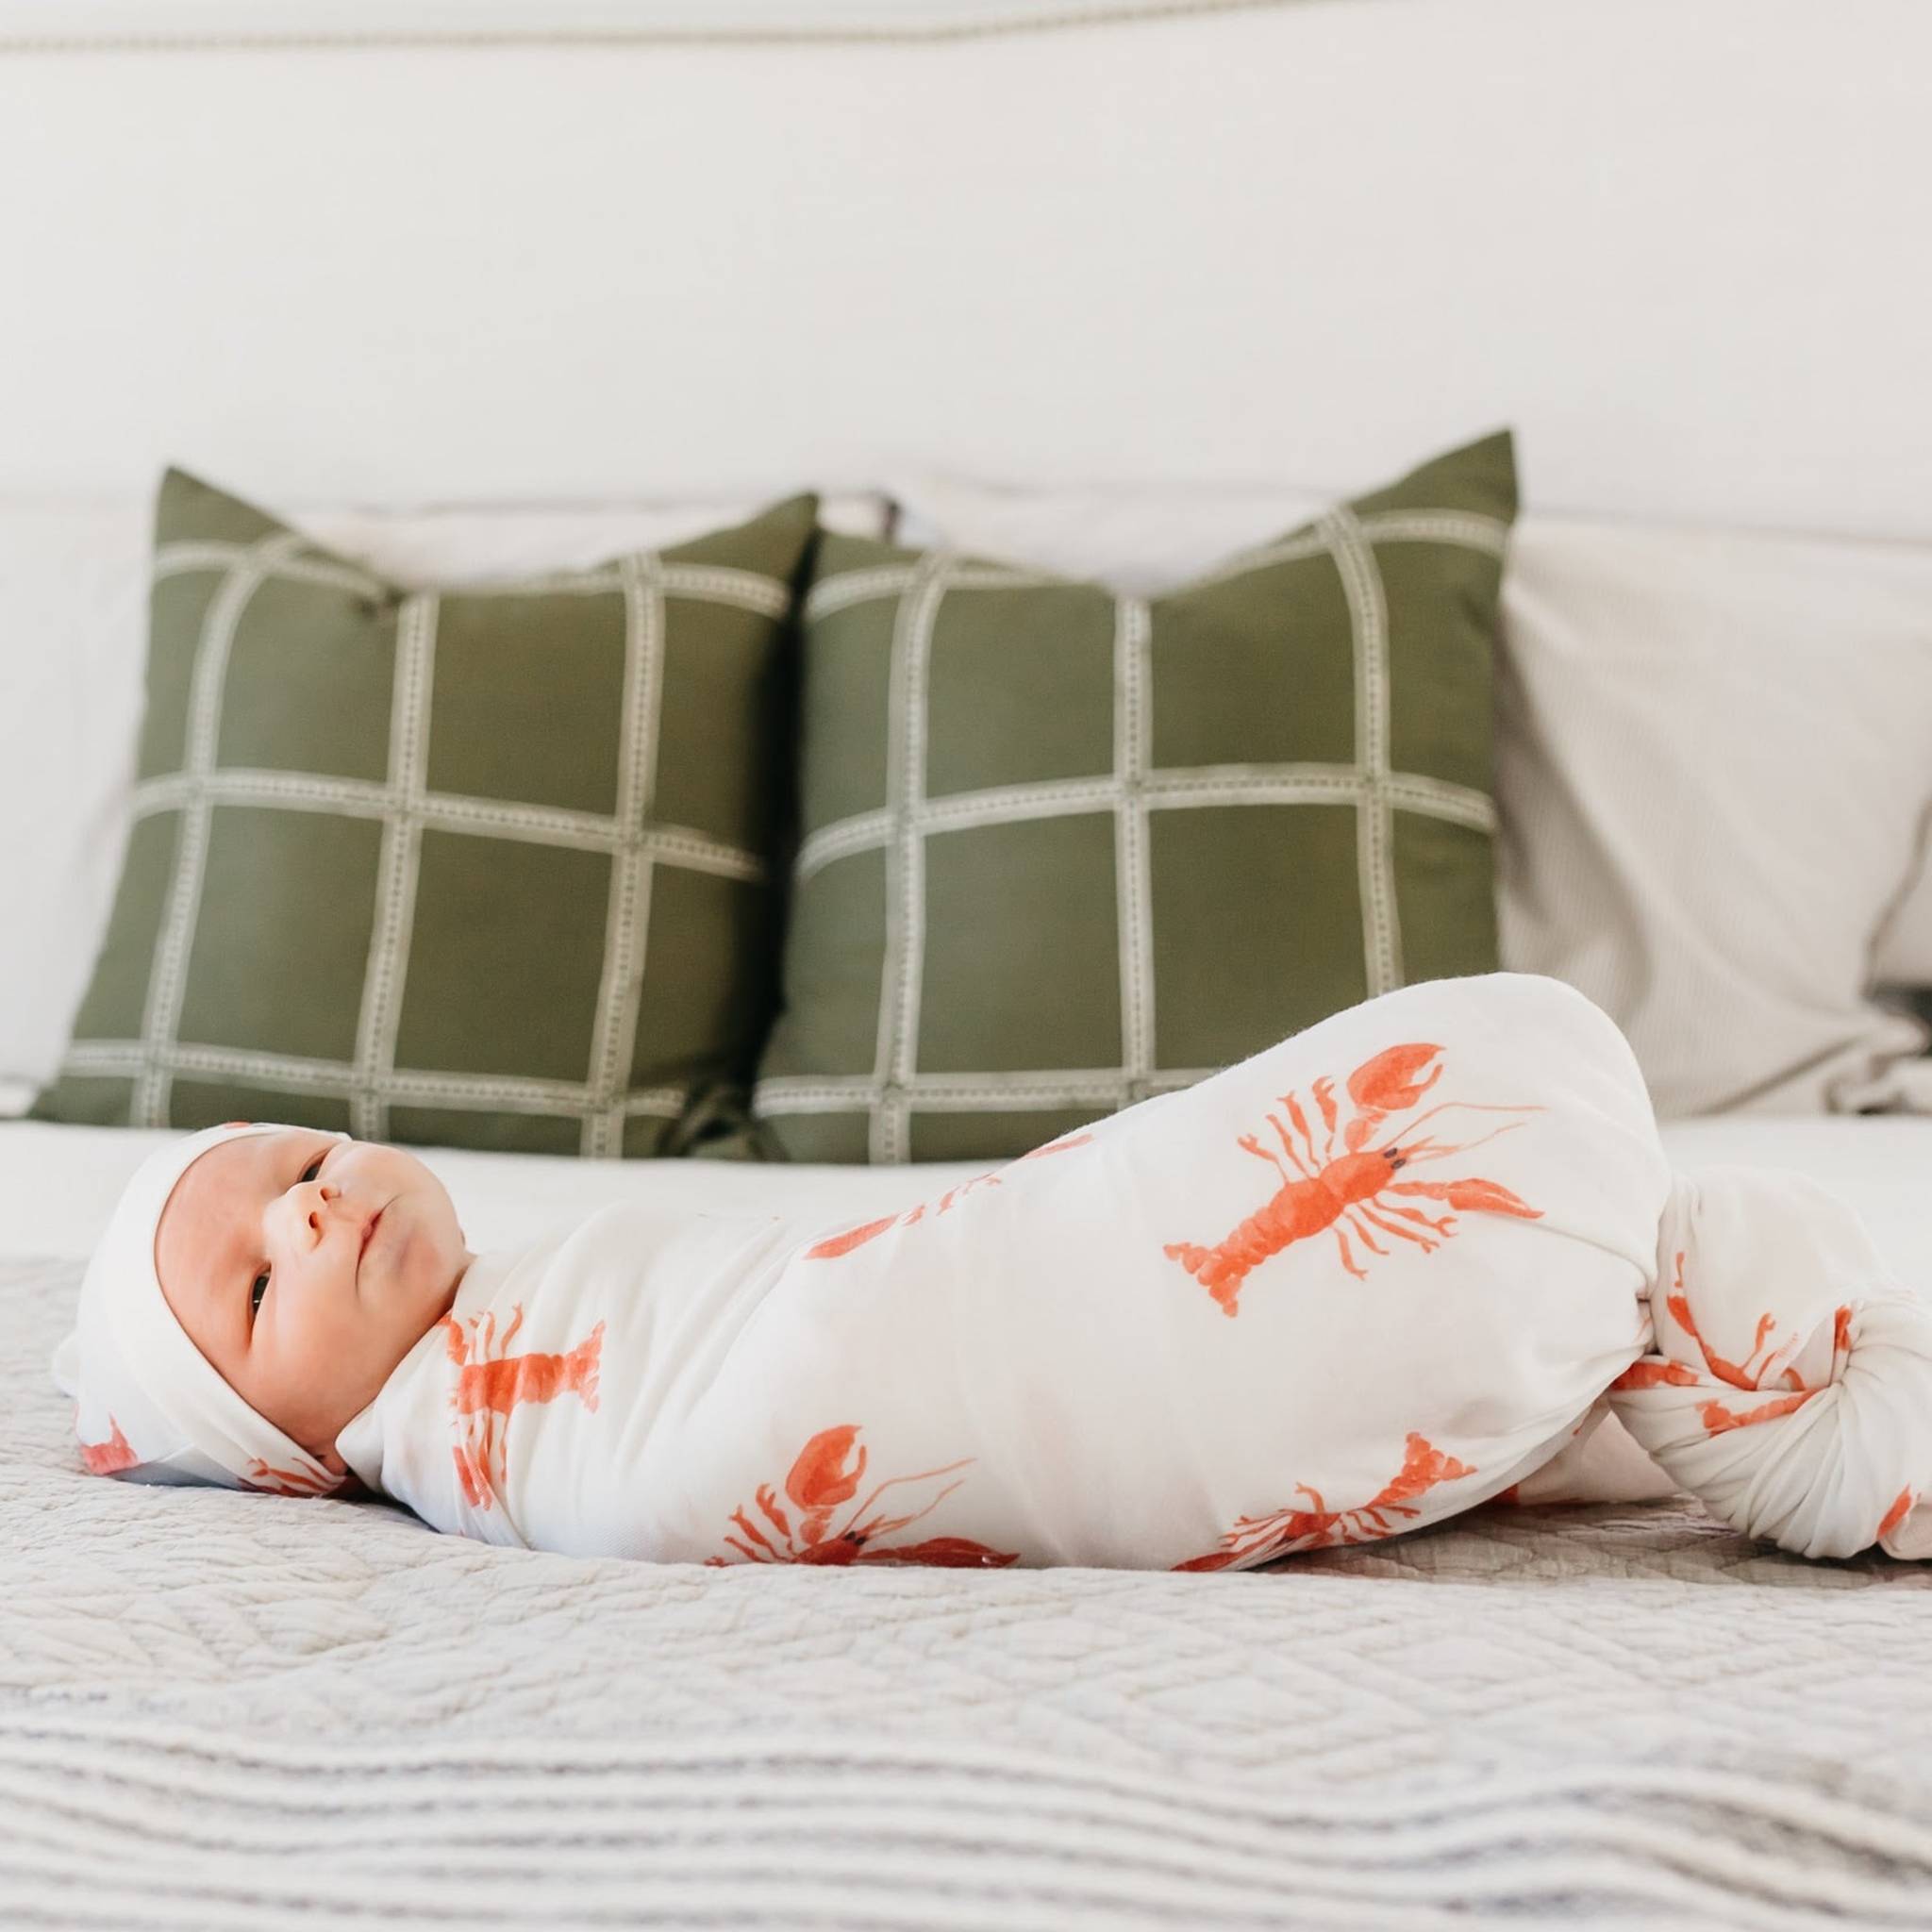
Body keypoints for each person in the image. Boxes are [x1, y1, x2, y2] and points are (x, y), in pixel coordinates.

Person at [50, 974, 1932, 1567]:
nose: (311, 1208)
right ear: (284, 1450)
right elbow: (743, 1400)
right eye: (253, 1286)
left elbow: (889, 1257)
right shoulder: (480, 1438)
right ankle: (1653, 1337)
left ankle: (1640, 1340)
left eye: (299, 1161)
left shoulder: (532, 1282)